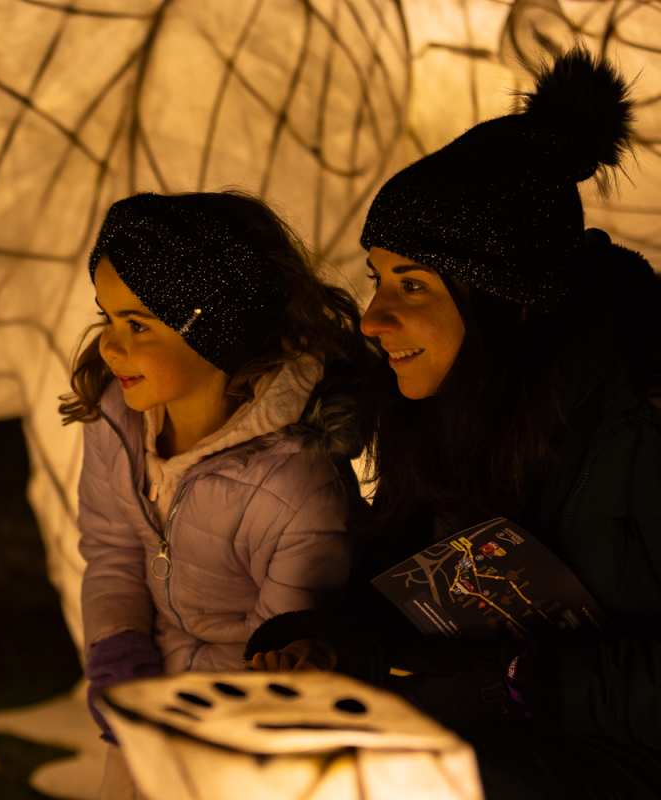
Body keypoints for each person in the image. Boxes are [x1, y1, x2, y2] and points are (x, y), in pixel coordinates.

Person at [245, 48, 661, 798]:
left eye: (413, 284)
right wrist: (332, 644)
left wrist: (521, 681)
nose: (373, 318)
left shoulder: (642, 415)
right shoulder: (447, 406)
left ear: (505, 300)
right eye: (377, 278)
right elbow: (421, 580)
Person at [60, 191, 377, 797]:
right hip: (147, 712)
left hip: (247, 740)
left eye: (138, 325)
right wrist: (118, 657)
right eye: (107, 317)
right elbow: (114, 550)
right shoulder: (118, 421)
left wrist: (190, 725)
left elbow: (285, 648)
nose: (110, 346)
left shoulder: (294, 486)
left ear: (215, 330)